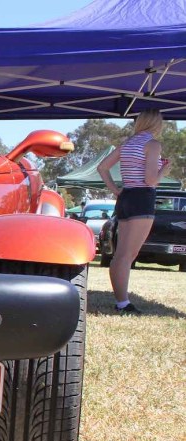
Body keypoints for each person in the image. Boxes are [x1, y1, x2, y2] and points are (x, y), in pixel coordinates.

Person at [96, 109, 171, 314]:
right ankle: (123, 303)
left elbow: (103, 167)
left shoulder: (127, 144)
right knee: (127, 255)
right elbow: (150, 180)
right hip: (142, 198)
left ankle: (122, 300)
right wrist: (165, 169)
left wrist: (116, 190)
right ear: (156, 124)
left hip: (126, 196)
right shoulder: (153, 144)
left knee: (121, 254)